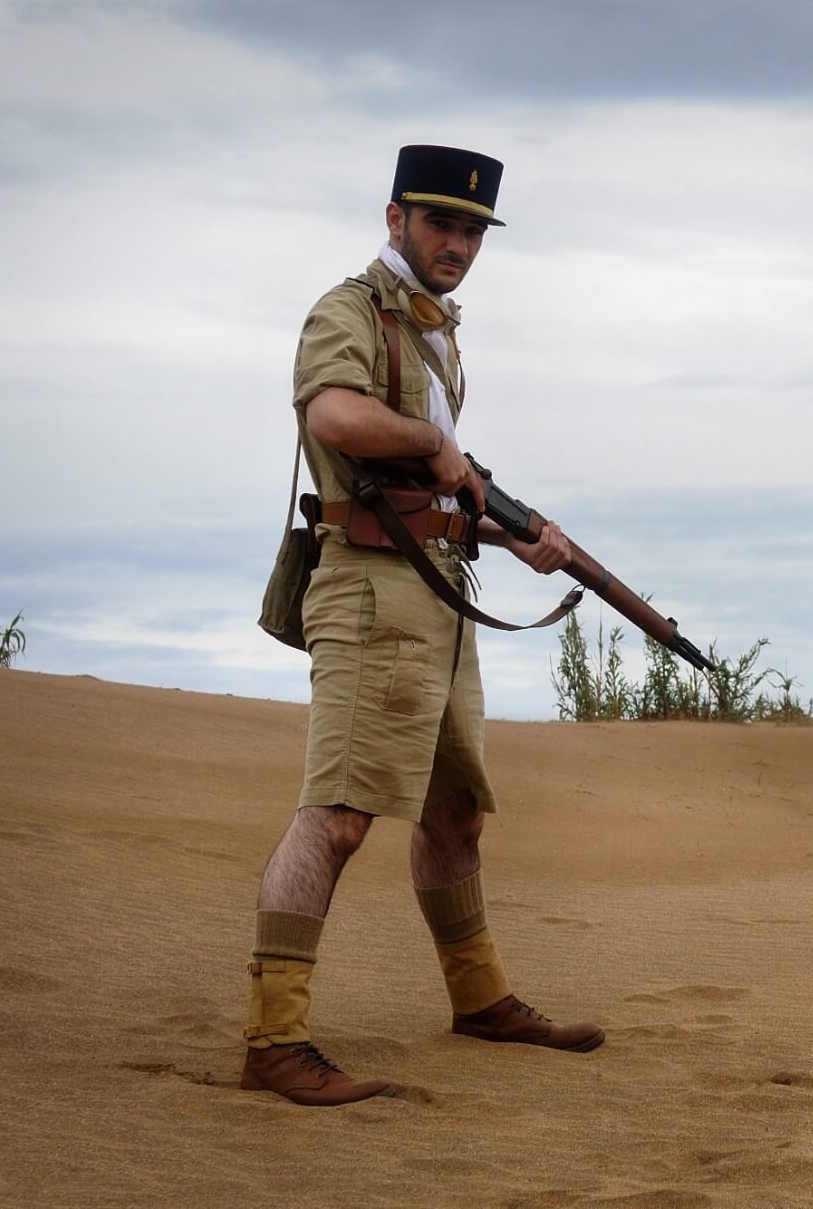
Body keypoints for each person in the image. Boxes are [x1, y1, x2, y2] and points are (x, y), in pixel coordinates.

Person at [241, 145, 602, 1106]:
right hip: (368, 590)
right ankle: (275, 1036)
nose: (457, 243)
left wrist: (506, 531)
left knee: (456, 810)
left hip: (433, 590)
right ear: (394, 217)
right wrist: (436, 441)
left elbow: (426, 485)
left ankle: (479, 998)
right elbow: (334, 415)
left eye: (474, 228)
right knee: (341, 813)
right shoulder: (351, 310)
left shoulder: (436, 333)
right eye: (440, 222)